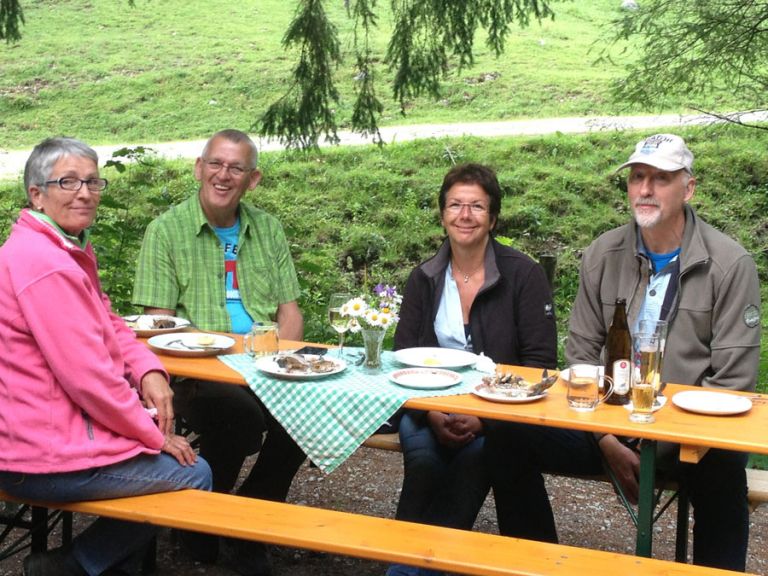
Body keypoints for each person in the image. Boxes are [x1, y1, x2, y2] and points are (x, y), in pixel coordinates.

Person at [485, 134, 760, 571]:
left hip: (686, 435)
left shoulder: (729, 264)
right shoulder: (601, 254)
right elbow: (580, 355)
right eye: (637, 177)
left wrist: (661, 438)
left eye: (661, 178)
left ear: (688, 188)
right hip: (605, 424)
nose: (645, 189)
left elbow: (732, 382)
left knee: (725, 467)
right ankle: (536, 563)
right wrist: (606, 437)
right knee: (506, 434)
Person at [0, 137, 212, 576]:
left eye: (93, 181)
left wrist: (148, 368)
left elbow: (109, 321)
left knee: (171, 455)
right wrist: (153, 436)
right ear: (36, 194)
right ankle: (73, 565)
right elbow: (89, 379)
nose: (84, 192)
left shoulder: (61, 246)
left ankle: (99, 566)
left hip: (38, 438)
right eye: (69, 181)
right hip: (35, 455)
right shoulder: (46, 264)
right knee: (193, 473)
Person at [132, 129, 306, 576]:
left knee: (308, 415)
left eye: (236, 168)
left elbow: (291, 312)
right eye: (216, 164)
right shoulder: (166, 231)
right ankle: (200, 519)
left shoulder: (267, 228)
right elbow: (158, 328)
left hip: (266, 367)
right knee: (240, 416)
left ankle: (249, 521)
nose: (223, 175)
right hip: (198, 374)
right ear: (199, 167)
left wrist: (280, 360)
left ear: (253, 179)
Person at [387, 163, 558, 576]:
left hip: (499, 411)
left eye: (476, 206)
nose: (465, 215)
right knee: (425, 462)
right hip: (429, 404)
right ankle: (406, 563)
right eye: (455, 205)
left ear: (493, 217)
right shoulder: (425, 276)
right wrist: (431, 410)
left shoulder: (524, 274)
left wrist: (484, 418)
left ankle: (414, 570)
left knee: (479, 456)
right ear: (443, 214)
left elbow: (540, 364)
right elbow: (402, 355)